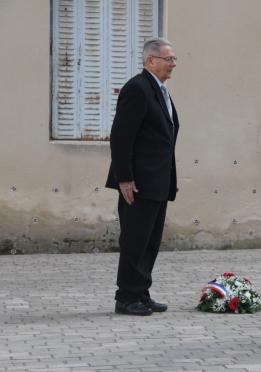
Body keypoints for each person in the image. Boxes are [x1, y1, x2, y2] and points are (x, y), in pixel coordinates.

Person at [105, 37, 179, 316]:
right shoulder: (137, 88)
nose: (173, 64)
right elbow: (121, 137)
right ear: (151, 61)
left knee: (150, 241)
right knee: (135, 240)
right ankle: (126, 298)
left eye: (174, 59)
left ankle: (141, 292)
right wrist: (124, 177)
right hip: (138, 182)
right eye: (168, 59)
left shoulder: (159, 89)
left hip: (158, 180)